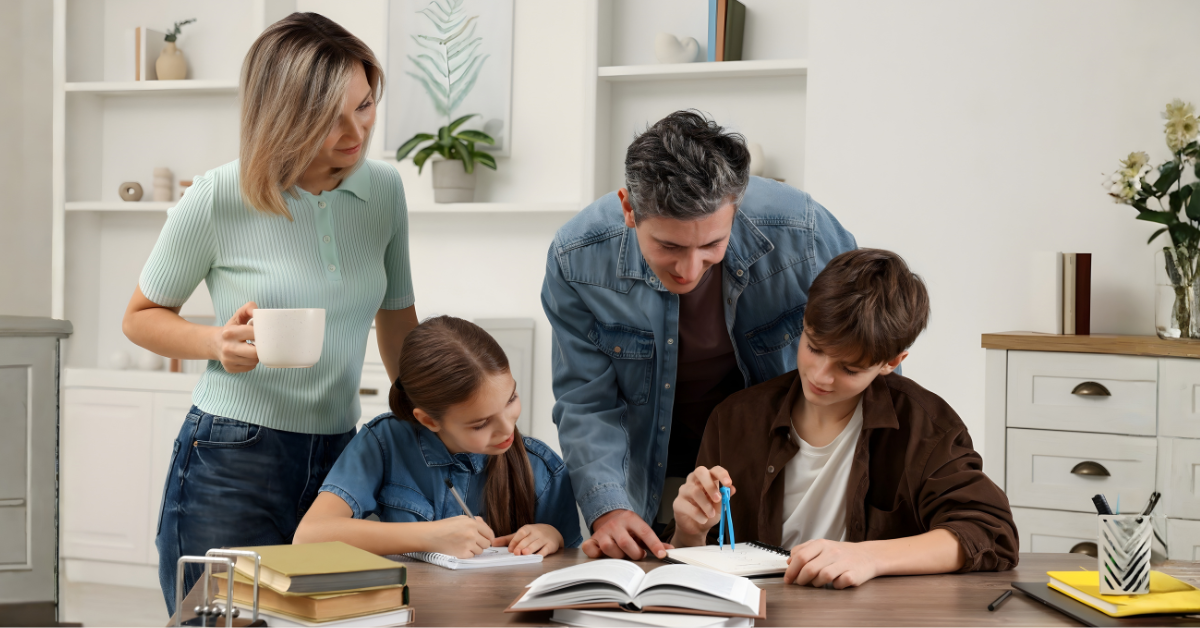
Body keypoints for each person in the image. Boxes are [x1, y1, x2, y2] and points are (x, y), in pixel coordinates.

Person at [120, 14, 419, 612]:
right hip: (233, 454)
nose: (355, 130)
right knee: (220, 621)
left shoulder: (383, 192)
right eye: (330, 116)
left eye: (364, 105)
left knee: (332, 620)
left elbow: (397, 318)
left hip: (342, 453)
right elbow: (141, 316)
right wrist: (216, 344)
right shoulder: (218, 196)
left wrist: (425, 412)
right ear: (283, 115)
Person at [541, 110, 858, 561]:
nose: (689, 270)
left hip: (784, 475)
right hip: (651, 482)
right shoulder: (577, 258)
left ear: (736, 206)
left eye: (712, 245)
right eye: (669, 246)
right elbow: (586, 401)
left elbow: (869, 355)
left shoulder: (804, 234)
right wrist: (607, 508)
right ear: (629, 208)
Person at [670, 249, 1018, 588]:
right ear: (804, 322)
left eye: (849, 368)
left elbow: (990, 531)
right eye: (814, 347)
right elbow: (702, 561)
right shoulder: (735, 418)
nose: (821, 376)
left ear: (891, 362)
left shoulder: (926, 426)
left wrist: (869, 557)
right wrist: (690, 531)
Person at [294, 316, 582, 557]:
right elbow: (310, 536)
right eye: (480, 423)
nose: (507, 429)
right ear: (429, 420)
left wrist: (552, 535)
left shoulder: (543, 469)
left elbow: (573, 571)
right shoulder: (385, 442)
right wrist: (429, 536)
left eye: (511, 399)